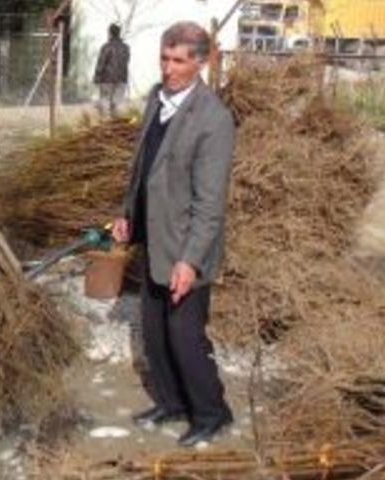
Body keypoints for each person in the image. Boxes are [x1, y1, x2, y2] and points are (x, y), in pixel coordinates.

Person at [112, 22, 235, 448]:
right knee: (154, 328)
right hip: (153, 236)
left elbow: (210, 203)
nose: (168, 68)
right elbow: (141, 164)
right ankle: (171, 401)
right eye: (164, 58)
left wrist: (191, 261)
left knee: (185, 336)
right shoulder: (155, 99)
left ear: (200, 63)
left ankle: (212, 412)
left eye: (179, 61)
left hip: (186, 248)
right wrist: (127, 214)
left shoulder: (213, 120)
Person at [93, 23, 131, 117]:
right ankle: (116, 126)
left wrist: (97, 77)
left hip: (107, 79)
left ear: (110, 33)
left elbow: (101, 63)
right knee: (117, 103)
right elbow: (126, 62)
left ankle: (106, 126)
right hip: (122, 79)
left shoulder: (106, 47)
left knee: (105, 102)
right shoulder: (126, 48)